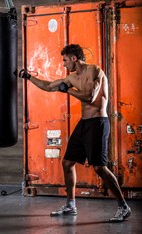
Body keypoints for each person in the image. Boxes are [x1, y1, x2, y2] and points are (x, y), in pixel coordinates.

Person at [19, 44, 131, 222]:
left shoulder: (94, 71)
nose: (63, 64)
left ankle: (123, 207)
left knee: (99, 168)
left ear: (73, 58)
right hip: (85, 123)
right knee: (68, 162)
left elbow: (90, 97)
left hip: (98, 123)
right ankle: (71, 205)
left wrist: (68, 90)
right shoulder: (72, 77)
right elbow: (49, 86)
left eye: (65, 60)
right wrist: (28, 77)